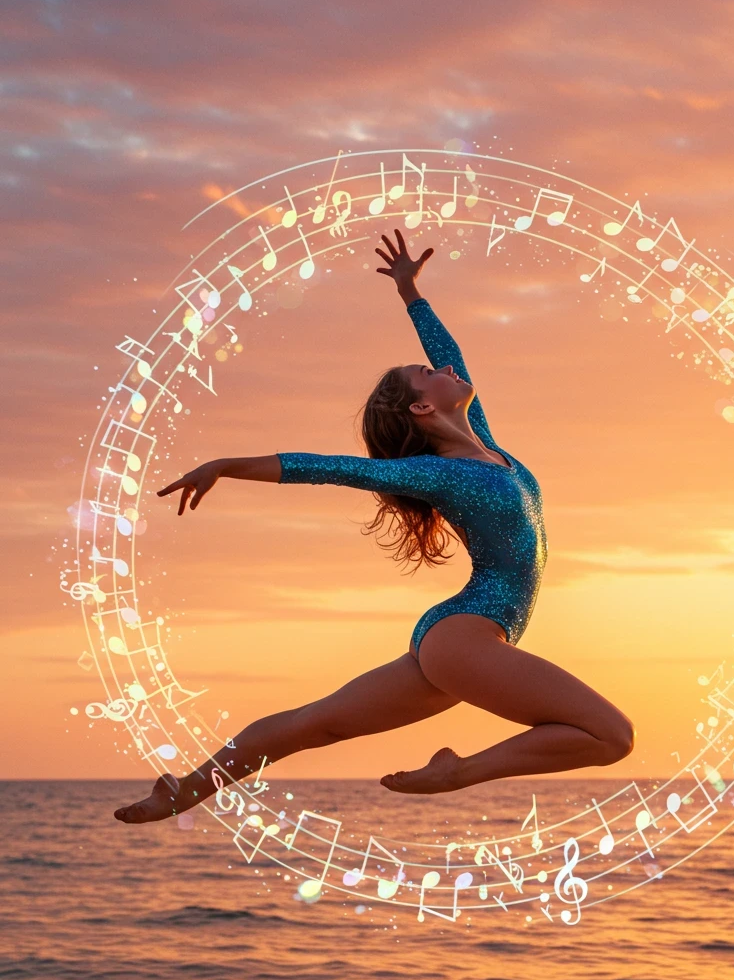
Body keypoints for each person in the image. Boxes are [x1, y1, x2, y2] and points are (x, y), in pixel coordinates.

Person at [114, 230, 634, 824]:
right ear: (421, 407)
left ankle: (183, 790)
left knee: (319, 723)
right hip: (469, 636)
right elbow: (328, 469)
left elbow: (451, 355)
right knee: (611, 735)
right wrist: (227, 466)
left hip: (463, 639)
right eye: (425, 372)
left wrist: (412, 293)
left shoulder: (486, 447)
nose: (441, 368)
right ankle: (460, 770)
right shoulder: (435, 473)